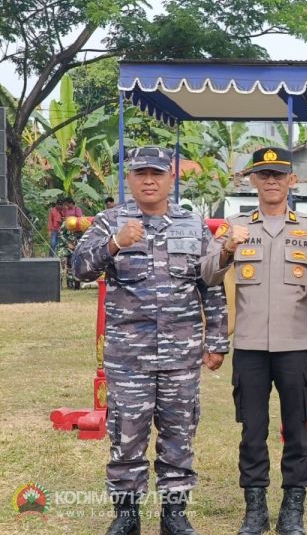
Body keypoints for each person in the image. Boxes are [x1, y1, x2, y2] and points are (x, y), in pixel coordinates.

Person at [73, 146, 229, 535]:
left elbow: (210, 285)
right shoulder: (111, 222)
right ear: (129, 178)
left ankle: (174, 513)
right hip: (129, 357)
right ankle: (126, 514)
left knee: (179, 434)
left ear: (170, 179)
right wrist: (114, 245)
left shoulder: (192, 225)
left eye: (156, 173)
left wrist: (216, 340)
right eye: (140, 173)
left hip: (182, 354)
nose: (148, 180)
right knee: (127, 435)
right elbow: (79, 269)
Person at [204, 147, 307, 535]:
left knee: (297, 428)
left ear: (292, 180)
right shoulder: (234, 226)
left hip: (295, 346)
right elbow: (208, 274)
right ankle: (255, 508)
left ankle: (293, 509)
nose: (272, 181)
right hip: (250, 348)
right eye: (264, 174)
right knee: (252, 429)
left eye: (279, 174)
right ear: (253, 181)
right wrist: (227, 247)